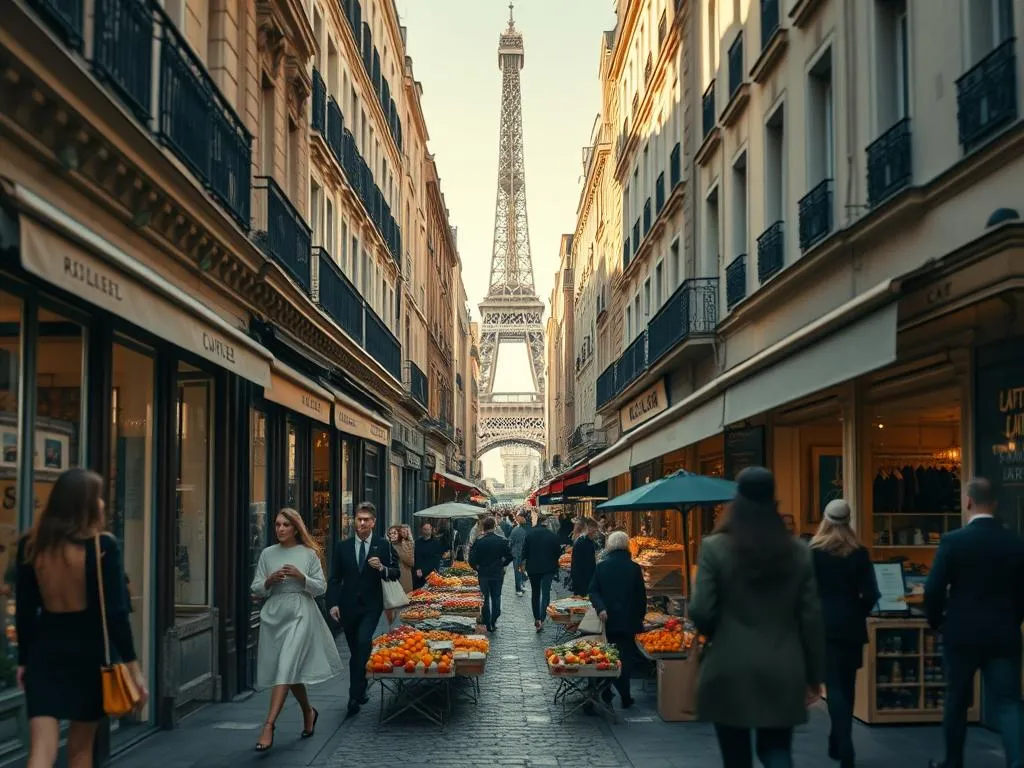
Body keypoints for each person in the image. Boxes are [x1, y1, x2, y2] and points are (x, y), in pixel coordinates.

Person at [690, 466, 825, 768]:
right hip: (783, 666)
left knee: (735, 756)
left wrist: (715, 633)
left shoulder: (716, 547)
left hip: (728, 665)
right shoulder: (799, 552)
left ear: (736, 500)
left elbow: (701, 609)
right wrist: (814, 676)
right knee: (777, 750)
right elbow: (813, 619)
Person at [15, 468, 149, 768]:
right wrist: (134, 670)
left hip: (44, 653)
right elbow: (116, 616)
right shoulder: (103, 547)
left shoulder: (32, 546)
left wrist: (24, 661)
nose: (102, 503)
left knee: (41, 751)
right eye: (98, 497)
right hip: (89, 657)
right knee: (80, 750)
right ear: (85, 504)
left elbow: (24, 612)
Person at [924, 477, 1024, 768]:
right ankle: (1017, 761)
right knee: (1008, 703)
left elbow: (933, 589)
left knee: (956, 701)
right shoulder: (1015, 543)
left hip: (961, 632)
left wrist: (937, 621)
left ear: (968, 502)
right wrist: (1012, 619)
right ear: (995, 504)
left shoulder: (954, 541)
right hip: (1003, 633)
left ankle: (953, 761)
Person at [250, 508, 343, 752]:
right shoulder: (268, 554)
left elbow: (320, 588)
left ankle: (268, 725)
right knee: (289, 672)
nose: (280, 529)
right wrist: (269, 581)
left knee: (286, 666)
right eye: (277, 525)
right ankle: (308, 712)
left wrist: (302, 577)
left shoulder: (309, 554)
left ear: (295, 528)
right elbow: (257, 588)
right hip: (274, 616)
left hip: (301, 613)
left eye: (285, 525)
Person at [809, 499, 880, 768]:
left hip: (823, 627)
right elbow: (871, 594)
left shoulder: (814, 552)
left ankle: (843, 741)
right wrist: (858, 612)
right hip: (851, 627)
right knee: (847, 686)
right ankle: (840, 737)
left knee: (834, 685)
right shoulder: (859, 553)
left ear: (825, 520)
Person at [327, 502, 400, 717]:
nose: (361, 523)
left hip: (371, 606)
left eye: (366, 519)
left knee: (362, 642)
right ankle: (361, 690)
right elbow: (335, 578)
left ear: (373, 522)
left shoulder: (383, 545)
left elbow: (396, 573)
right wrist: (332, 603)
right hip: (348, 606)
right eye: (358, 519)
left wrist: (383, 568)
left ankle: (353, 696)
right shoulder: (343, 547)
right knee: (357, 652)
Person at [588, 530, 646, 709]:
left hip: (608, 620)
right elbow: (640, 598)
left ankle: (606, 690)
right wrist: (639, 618)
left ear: (610, 546)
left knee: (607, 656)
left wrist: (601, 608)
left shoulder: (602, 566)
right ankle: (625, 697)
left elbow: (593, 591)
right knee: (625, 658)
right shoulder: (634, 568)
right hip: (628, 621)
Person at [468, 517, 513, 632]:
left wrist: (477, 567)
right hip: (497, 573)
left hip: (483, 573)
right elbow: (510, 556)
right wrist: (502, 564)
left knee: (485, 599)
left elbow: (471, 559)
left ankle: (488, 622)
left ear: (483, 527)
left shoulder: (479, 541)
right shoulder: (502, 540)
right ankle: (494, 620)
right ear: (494, 527)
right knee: (496, 596)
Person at [522, 517, 561, 631]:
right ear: (546, 523)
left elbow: (524, 552)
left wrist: (523, 564)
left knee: (535, 593)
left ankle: (537, 618)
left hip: (533, 568)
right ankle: (542, 618)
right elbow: (558, 552)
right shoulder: (552, 535)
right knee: (545, 593)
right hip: (548, 568)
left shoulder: (530, 535)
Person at [383, 525, 413, 631]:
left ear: (399, 534)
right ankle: (392, 628)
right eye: (390, 533)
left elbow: (411, 562)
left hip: (404, 578)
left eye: (394, 533)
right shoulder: (386, 546)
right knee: (391, 605)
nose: (392, 535)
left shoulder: (406, 544)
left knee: (403, 606)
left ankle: (404, 630)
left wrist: (399, 553)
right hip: (392, 579)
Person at [413, 522, 447, 589]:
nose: (426, 531)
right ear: (421, 530)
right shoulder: (417, 543)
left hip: (432, 574)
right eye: (424, 529)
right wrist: (417, 569)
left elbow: (437, 560)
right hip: (419, 574)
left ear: (431, 530)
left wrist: (431, 572)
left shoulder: (437, 543)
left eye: (428, 529)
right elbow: (415, 557)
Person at [570, 518, 598, 596]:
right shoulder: (584, 542)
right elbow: (588, 564)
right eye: (595, 531)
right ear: (589, 528)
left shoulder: (582, 540)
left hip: (580, 578)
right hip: (583, 579)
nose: (595, 534)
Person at [508, 512, 529, 596]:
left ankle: (519, 588)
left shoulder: (515, 529)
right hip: (523, 554)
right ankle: (521, 586)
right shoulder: (526, 529)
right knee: (522, 570)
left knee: (518, 571)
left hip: (517, 554)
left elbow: (510, 543)